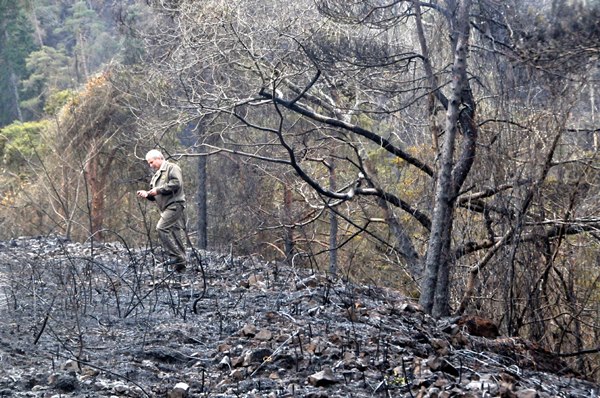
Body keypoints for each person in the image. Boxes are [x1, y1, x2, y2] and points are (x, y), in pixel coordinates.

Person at [137, 149, 187, 272]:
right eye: (149, 163)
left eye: (151, 162)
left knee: (161, 228)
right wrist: (147, 194)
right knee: (176, 234)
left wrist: (158, 190)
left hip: (174, 204)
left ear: (159, 158)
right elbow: (154, 196)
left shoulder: (172, 167)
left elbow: (176, 183)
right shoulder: (156, 176)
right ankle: (180, 267)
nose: (151, 165)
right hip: (166, 207)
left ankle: (177, 257)